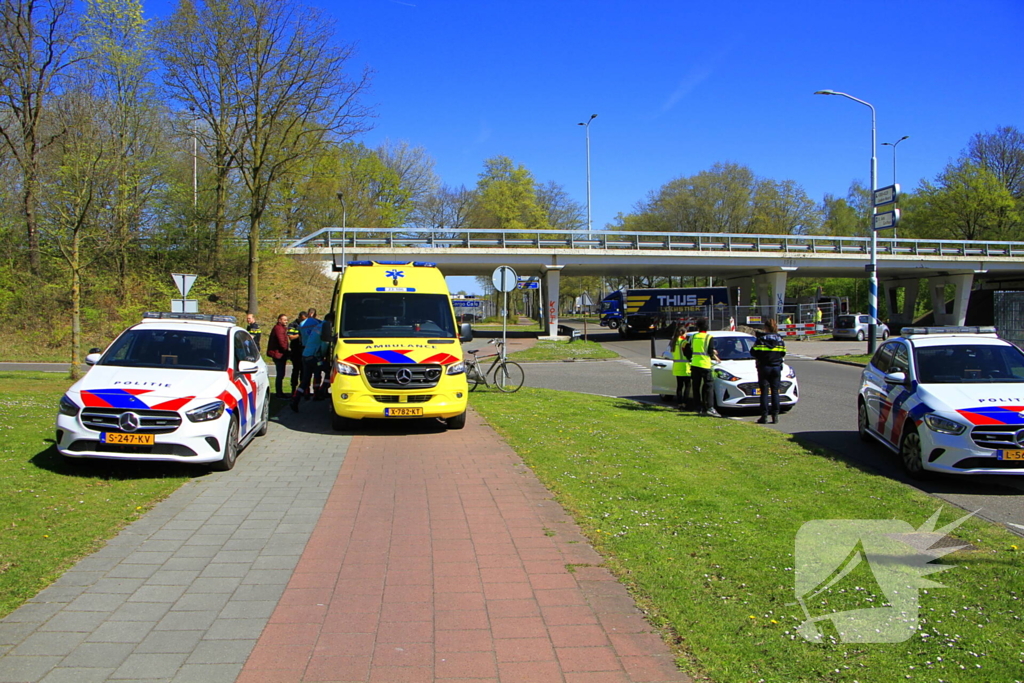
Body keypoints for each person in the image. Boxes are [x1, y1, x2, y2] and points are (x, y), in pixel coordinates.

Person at [752, 318, 787, 424]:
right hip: (776, 367)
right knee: (775, 392)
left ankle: (764, 416)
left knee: (764, 392)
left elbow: (753, 352)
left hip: (764, 367)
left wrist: (762, 357)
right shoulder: (780, 339)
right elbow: (783, 353)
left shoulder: (761, 339)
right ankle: (775, 416)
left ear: (766, 327)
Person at [686, 317, 719, 417]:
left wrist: (690, 358)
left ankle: (698, 407)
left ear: (698, 327)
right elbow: (710, 351)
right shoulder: (709, 337)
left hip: (695, 364)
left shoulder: (694, 336)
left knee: (696, 387)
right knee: (708, 386)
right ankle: (709, 407)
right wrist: (715, 354)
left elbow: (688, 349)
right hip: (705, 365)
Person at [266, 314, 290, 397]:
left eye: (286, 320)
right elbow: (282, 342)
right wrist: (287, 351)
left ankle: (279, 392)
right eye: (284, 320)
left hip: (279, 353)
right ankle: (279, 393)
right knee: (280, 374)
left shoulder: (281, 328)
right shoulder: (278, 329)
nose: (286, 321)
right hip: (278, 354)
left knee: (281, 373)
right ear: (279, 320)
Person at [670, 323, 692, 409]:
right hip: (685, 367)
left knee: (679, 386)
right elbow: (689, 354)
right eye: (686, 333)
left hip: (677, 366)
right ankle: (685, 403)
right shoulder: (684, 342)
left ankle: (679, 403)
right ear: (682, 333)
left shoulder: (674, 342)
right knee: (687, 386)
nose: (686, 335)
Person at [287, 311, 307, 395]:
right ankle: (293, 389)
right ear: (299, 317)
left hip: (303, 350)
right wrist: (300, 334)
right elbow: (291, 337)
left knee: (303, 371)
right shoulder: (293, 325)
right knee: (296, 370)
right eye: (302, 319)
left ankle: (302, 390)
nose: (303, 321)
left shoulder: (306, 325)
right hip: (295, 351)